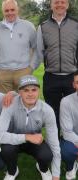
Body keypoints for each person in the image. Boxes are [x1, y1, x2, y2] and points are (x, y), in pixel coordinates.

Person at [0, 75, 61, 180]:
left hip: (34, 141)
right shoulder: (10, 104)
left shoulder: (47, 110)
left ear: (39, 91)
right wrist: (26, 137)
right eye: (26, 90)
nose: (30, 94)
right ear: (20, 92)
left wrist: (56, 175)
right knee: (6, 150)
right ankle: (12, 171)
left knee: (47, 155)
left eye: (34, 90)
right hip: (14, 140)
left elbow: (55, 144)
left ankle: (43, 169)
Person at [37, 0, 78, 135]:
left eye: (62, 1)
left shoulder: (76, 25)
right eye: (56, 2)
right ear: (51, 5)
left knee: (72, 112)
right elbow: (39, 51)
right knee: (52, 112)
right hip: (51, 77)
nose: (59, 4)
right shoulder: (43, 27)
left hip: (72, 77)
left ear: (67, 4)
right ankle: (55, 142)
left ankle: (70, 142)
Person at [0, 0, 37, 93]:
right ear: (2, 11)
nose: (9, 13)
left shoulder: (28, 26)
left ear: (17, 10)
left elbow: (37, 48)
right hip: (3, 73)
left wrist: (31, 67)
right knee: (5, 103)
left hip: (23, 71)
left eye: (12, 10)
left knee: (23, 103)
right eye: (6, 10)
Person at [60, 70, 78, 180]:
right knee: (66, 151)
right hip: (72, 139)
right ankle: (71, 167)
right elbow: (66, 131)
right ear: (74, 85)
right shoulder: (66, 101)